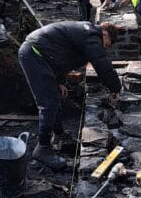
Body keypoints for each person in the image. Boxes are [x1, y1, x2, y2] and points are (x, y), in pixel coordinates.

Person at [18, 20, 123, 169]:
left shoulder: (86, 33)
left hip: (42, 57)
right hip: (34, 55)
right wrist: (115, 88)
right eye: (107, 44)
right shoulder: (92, 36)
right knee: (48, 103)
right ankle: (42, 148)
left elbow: (61, 55)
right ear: (105, 33)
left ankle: (59, 135)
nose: (105, 48)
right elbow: (102, 65)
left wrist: (60, 81)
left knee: (56, 96)